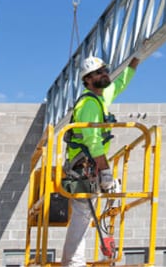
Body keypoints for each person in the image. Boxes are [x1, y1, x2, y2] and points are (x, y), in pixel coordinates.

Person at [61, 55, 140, 267]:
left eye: (105, 70)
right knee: (82, 216)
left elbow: (120, 83)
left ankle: (90, 259)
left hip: (91, 166)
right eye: (98, 72)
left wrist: (136, 59)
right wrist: (105, 171)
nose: (104, 74)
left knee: (89, 214)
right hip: (83, 168)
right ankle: (72, 263)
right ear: (87, 79)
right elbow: (92, 141)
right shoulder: (88, 104)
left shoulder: (102, 97)